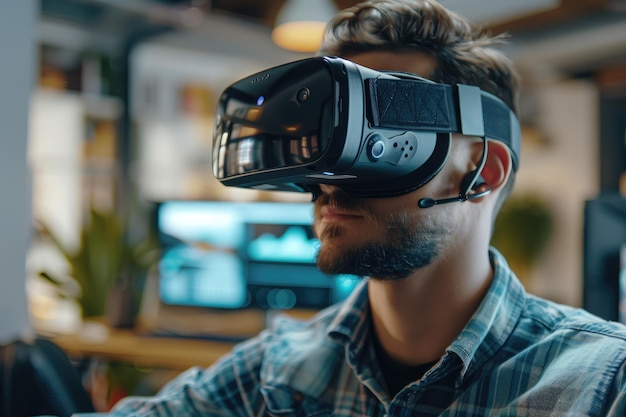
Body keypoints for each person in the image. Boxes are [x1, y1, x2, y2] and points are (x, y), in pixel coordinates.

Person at [78, 0, 626, 415]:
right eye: (328, 139)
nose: (328, 182)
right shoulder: (278, 373)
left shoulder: (600, 385)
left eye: (378, 140)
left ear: (483, 170)